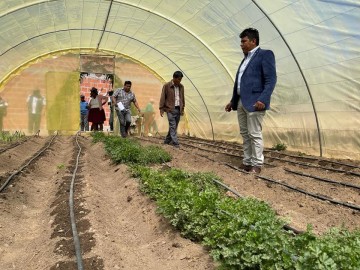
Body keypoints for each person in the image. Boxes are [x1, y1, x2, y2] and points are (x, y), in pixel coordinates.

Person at [225, 28, 277, 174]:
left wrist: (263, 98)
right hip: (241, 101)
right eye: (241, 41)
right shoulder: (245, 59)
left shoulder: (265, 55)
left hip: (256, 102)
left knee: (254, 133)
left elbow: (271, 79)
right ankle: (247, 162)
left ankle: (257, 164)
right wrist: (233, 101)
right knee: (245, 133)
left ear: (253, 41)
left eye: (244, 41)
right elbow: (241, 83)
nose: (241, 44)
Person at [159, 71, 185, 148]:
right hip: (170, 109)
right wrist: (161, 108)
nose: (180, 81)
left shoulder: (181, 87)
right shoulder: (167, 86)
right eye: (179, 79)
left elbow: (182, 98)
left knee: (174, 126)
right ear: (174, 78)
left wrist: (182, 108)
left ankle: (167, 141)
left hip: (178, 108)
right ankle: (175, 142)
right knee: (173, 125)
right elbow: (163, 97)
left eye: (180, 79)